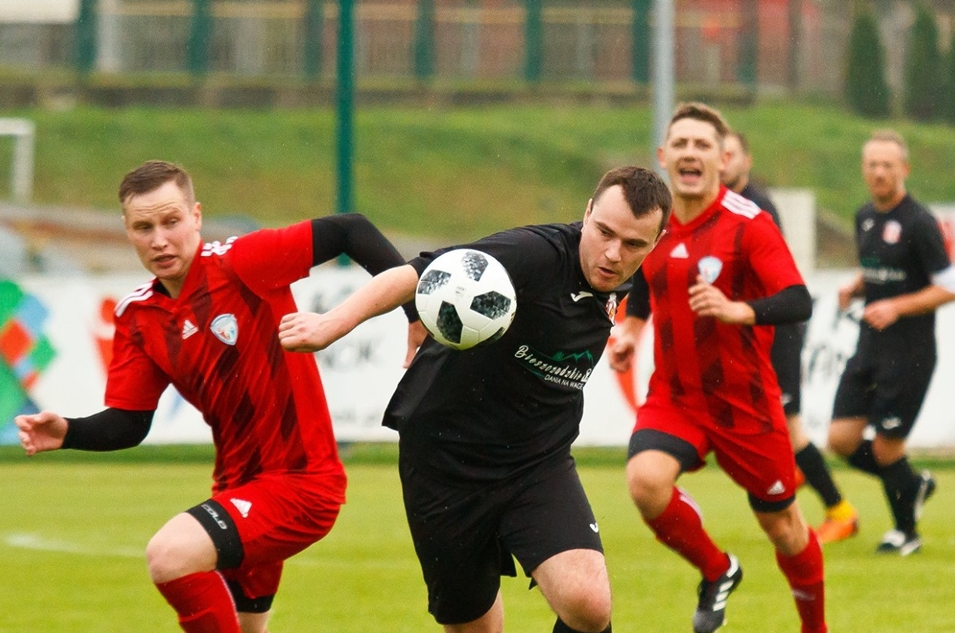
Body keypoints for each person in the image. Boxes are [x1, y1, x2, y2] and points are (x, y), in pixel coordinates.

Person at [15, 160, 422, 633]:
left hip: (301, 485)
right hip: (238, 490)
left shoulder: (244, 261)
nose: (159, 239)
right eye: (144, 228)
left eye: (171, 221)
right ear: (128, 231)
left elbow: (351, 229)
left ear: (196, 217)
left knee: (170, 555)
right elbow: (129, 421)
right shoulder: (138, 316)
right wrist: (68, 432)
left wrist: (414, 311)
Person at [279, 165, 672, 633]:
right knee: (474, 628)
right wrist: (331, 324)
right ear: (587, 213)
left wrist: (632, 332)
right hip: (445, 459)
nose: (613, 254)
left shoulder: (628, 271)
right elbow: (419, 273)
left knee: (588, 605)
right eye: (604, 232)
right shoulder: (531, 254)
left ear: (656, 243)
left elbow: (637, 289)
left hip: (536, 461)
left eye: (633, 244)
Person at [610, 103, 826, 633]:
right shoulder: (652, 221)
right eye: (680, 143)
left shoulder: (749, 224)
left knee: (785, 529)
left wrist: (739, 311)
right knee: (645, 482)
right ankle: (718, 569)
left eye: (702, 145)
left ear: (723, 159)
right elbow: (646, 279)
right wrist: (631, 329)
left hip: (744, 402)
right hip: (676, 396)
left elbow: (798, 299)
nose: (691, 153)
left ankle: (815, 628)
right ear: (663, 156)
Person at [721, 130, 859, 544]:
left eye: (730, 153)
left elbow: (763, 279)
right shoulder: (719, 206)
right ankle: (792, 473)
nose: (722, 161)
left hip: (776, 330)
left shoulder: (756, 207)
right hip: (751, 331)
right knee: (764, 425)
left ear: (747, 161)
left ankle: (840, 511)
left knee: (789, 426)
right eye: (718, 152)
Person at [827, 130, 955, 556]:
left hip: (910, 354)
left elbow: (950, 287)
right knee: (840, 439)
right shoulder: (865, 216)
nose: (880, 172)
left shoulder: (920, 222)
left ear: (904, 169)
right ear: (864, 169)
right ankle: (911, 484)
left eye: (888, 165)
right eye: (873, 164)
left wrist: (897, 307)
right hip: (869, 346)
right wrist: (857, 286)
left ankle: (906, 532)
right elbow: (879, 269)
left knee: (887, 447)